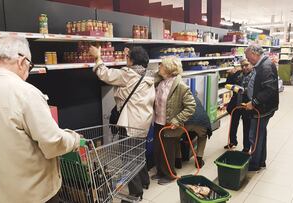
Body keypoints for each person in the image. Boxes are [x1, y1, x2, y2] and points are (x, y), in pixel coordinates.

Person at [0, 36, 81, 203]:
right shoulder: (26, 93)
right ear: (22, 61)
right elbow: (52, 143)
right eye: (30, 65)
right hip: (33, 196)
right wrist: (74, 139)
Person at [89, 45, 155, 201]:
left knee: (128, 158)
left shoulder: (128, 75)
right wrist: (130, 56)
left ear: (131, 60)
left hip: (130, 122)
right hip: (144, 120)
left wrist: (97, 57)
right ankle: (145, 181)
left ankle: (135, 193)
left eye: (127, 58)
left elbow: (105, 74)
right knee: (138, 153)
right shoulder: (148, 74)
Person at [152, 56, 196, 185]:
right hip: (158, 122)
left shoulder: (180, 86)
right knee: (158, 149)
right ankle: (160, 172)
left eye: (161, 65)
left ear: (168, 68)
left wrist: (177, 120)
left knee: (168, 151)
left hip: (170, 125)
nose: (159, 66)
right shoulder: (161, 81)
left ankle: (169, 175)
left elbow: (191, 106)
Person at [244, 45, 279, 171]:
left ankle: (254, 164)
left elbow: (269, 89)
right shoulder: (261, 64)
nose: (247, 60)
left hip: (262, 108)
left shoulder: (265, 67)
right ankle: (260, 160)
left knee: (255, 135)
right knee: (261, 133)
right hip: (262, 107)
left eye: (248, 57)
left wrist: (254, 102)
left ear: (254, 54)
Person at [223, 59, 253, 152]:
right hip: (236, 103)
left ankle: (246, 147)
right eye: (242, 65)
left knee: (247, 126)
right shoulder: (238, 73)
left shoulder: (255, 75)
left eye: (246, 65)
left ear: (251, 64)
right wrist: (230, 74)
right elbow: (228, 83)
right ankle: (232, 141)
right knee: (233, 123)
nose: (244, 67)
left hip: (247, 104)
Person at [177, 93, 212, 169]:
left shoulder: (180, 97)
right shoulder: (196, 99)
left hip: (185, 122)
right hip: (202, 122)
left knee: (176, 138)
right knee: (202, 137)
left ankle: (178, 161)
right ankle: (199, 160)